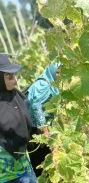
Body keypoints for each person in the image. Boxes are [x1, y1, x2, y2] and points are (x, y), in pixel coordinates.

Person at [0, 54, 37, 183]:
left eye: (14, 75)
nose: (15, 81)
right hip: (5, 176)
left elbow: (28, 122)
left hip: (24, 169)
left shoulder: (15, 96)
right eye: (8, 76)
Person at [26, 63, 61, 177]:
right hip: (32, 126)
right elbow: (37, 107)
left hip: (39, 125)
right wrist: (45, 131)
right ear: (51, 71)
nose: (60, 75)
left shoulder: (53, 84)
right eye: (57, 72)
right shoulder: (43, 84)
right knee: (40, 157)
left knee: (48, 155)